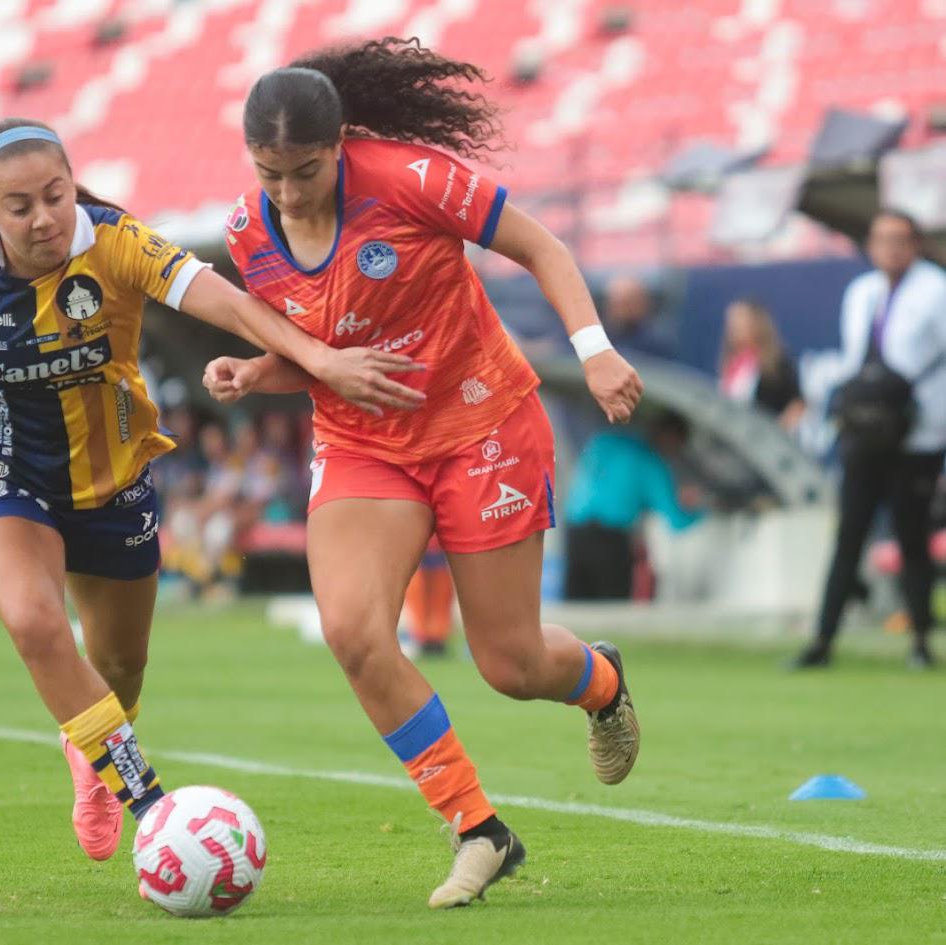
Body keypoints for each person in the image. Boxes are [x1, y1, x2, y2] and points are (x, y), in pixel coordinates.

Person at [0, 118, 424, 864]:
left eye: (55, 196)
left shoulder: (116, 242)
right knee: (37, 623)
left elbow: (224, 302)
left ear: (73, 186)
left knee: (121, 665)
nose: (42, 218)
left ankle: (93, 752)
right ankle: (150, 804)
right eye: (20, 206)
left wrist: (318, 360)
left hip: (113, 481)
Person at [205, 38, 645, 909]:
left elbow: (544, 248)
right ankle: (478, 828)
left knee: (511, 664)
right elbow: (321, 359)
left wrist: (594, 353)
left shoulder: (410, 178)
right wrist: (259, 371)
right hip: (365, 444)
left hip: (481, 423)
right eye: (269, 173)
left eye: (304, 171)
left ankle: (598, 680)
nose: (287, 192)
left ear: (338, 147)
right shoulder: (248, 236)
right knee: (355, 633)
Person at [793, 210, 946, 670]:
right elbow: (854, 357)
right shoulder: (861, 292)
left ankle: (920, 639)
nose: (891, 249)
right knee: (849, 535)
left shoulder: (936, 290)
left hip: (917, 434)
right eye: (882, 239)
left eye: (899, 239)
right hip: (864, 431)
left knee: (911, 536)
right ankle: (823, 640)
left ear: (915, 243)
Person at [562, 410, 704, 600]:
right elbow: (676, 520)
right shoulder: (652, 463)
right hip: (611, 538)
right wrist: (704, 510)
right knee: (613, 608)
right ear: (672, 438)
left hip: (574, 530)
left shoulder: (604, 440)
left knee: (576, 604)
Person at [717, 298, 804, 430]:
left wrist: (776, 431)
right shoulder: (734, 365)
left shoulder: (776, 364)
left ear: (756, 323)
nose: (733, 327)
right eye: (731, 322)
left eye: (740, 320)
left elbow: (797, 404)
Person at [602, 273, 676, 361]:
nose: (621, 310)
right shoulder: (601, 339)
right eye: (616, 304)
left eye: (627, 303)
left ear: (642, 303)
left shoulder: (658, 342)